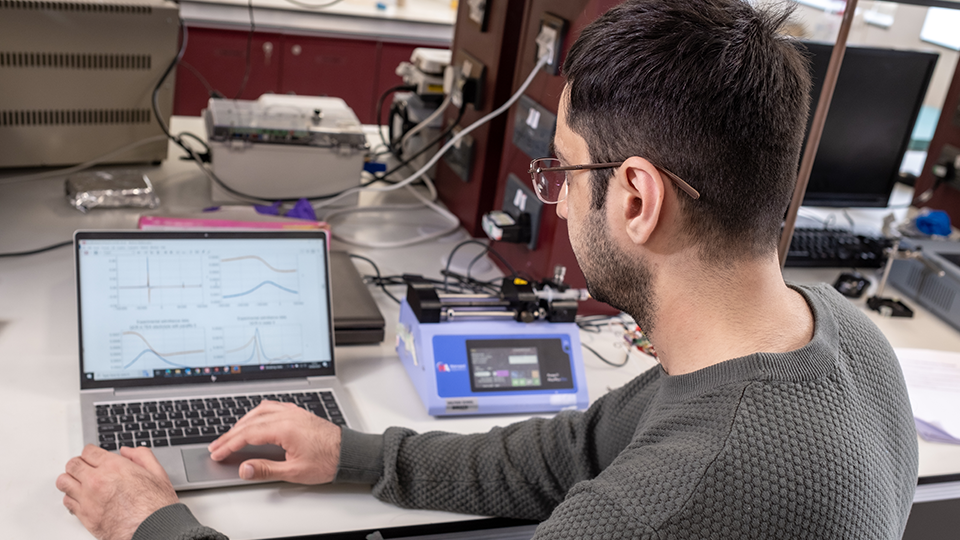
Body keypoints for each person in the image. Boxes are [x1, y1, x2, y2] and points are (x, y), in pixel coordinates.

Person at [56, 1, 919, 538]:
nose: (556, 201)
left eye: (564, 170)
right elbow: (574, 451)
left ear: (636, 198)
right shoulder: (839, 333)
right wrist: (356, 453)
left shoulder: (672, 499)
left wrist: (152, 524)